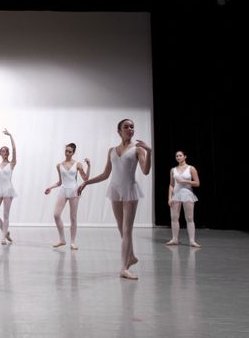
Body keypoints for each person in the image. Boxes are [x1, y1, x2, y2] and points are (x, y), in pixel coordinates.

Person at [78, 119, 152, 280]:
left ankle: (123, 268)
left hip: (130, 191)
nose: (130, 129)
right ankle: (130, 256)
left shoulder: (138, 149)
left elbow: (145, 171)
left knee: (127, 230)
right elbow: (105, 174)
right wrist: (86, 182)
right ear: (119, 131)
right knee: (121, 228)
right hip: (115, 190)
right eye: (126, 127)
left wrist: (150, 152)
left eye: (132, 126)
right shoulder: (112, 150)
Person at [43, 143, 90, 250]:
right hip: (63, 190)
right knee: (56, 215)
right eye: (66, 151)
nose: (67, 153)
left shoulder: (77, 164)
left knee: (73, 218)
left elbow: (86, 178)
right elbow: (60, 182)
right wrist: (50, 187)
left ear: (73, 152)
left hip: (74, 191)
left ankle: (72, 242)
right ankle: (62, 239)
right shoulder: (59, 165)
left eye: (70, 151)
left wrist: (89, 166)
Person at [166, 150, 201, 247]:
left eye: (180, 155)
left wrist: (185, 181)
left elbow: (197, 183)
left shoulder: (191, 168)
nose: (178, 157)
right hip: (176, 194)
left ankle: (192, 240)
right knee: (174, 217)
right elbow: (171, 185)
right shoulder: (173, 170)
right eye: (176, 156)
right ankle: (174, 239)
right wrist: (169, 197)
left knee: (189, 218)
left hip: (187, 193)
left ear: (185, 156)